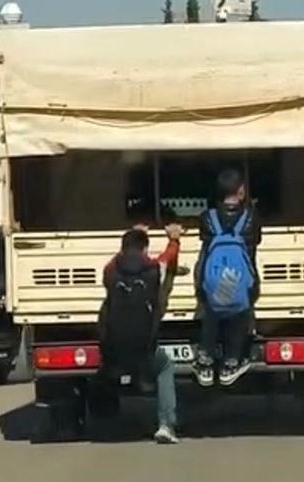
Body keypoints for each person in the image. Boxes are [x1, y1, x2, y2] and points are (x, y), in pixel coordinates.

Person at [97, 224, 183, 444]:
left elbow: (115, 261)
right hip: (143, 346)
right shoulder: (154, 270)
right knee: (164, 367)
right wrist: (174, 239)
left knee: (103, 369)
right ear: (145, 249)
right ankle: (166, 424)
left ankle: (103, 418)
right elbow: (168, 257)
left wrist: (133, 232)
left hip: (113, 346)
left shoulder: (110, 271)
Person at [193, 169, 261, 387]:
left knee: (212, 312)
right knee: (239, 314)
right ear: (241, 190)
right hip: (243, 278)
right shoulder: (251, 218)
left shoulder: (207, 218)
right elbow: (255, 242)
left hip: (212, 278)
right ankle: (231, 362)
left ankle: (205, 361)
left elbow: (205, 245)